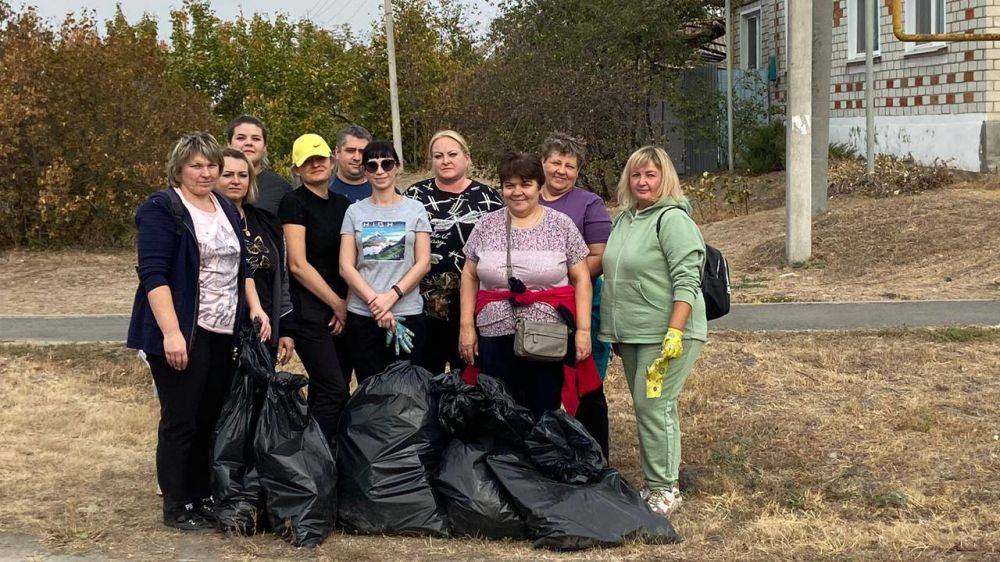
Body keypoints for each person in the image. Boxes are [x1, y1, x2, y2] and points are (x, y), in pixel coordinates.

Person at [127, 132, 270, 530]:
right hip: (183, 330)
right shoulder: (163, 208)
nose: (206, 172)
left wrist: (256, 307)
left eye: (211, 165)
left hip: (221, 330)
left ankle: (202, 495)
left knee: (210, 416)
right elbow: (153, 275)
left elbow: (242, 266)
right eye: (197, 165)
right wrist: (171, 333)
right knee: (181, 419)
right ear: (179, 168)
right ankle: (177, 506)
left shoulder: (223, 205)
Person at [600, 146, 707, 517]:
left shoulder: (673, 220)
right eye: (636, 175)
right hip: (633, 333)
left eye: (651, 175)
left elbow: (687, 279)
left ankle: (664, 490)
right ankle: (661, 481)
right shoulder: (626, 218)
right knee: (653, 408)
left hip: (666, 333)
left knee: (653, 405)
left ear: (665, 179)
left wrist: (674, 332)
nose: (642, 182)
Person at [458, 152, 600, 419]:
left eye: (525, 184)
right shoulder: (486, 225)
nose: (517, 192)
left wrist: (583, 330)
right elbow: (469, 275)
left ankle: (538, 458)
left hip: (546, 336)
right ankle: (505, 462)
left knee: (542, 407)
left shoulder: (561, 225)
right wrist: (466, 327)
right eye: (509, 185)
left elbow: (581, 278)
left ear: (539, 186)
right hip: (494, 334)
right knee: (498, 409)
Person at [539, 132, 613, 459]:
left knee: (585, 381)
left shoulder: (588, 204)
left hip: (582, 303)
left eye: (570, 165)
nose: (562, 170)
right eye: (556, 162)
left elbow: (600, 256)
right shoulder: (525, 198)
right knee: (542, 380)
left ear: (578, 171)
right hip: (535, 307)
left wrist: (562, 276)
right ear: (542, 163)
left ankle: (589, 451)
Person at [405, 130, 504, 374]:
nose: (445, 161)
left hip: (475, 302)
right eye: (438, 156)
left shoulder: (489, 198)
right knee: (426, 378)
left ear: (467, 158)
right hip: (425, 304)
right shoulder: (414, 197)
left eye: (452, 154)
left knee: (471, 377)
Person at [340, 140, 432, 380]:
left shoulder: (416, 209)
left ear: (397, 166)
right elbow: (346, 266)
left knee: (406, 392)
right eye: (372, 166)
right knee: (369, 390)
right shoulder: (354, 212)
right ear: (365, 171)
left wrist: (392, 296)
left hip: (407, 313)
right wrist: (376, 303)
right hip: (363, 315)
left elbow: (423, 262)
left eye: (386, 163)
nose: (380, 171)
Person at [279, 133, 351, 441]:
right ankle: (314, 461)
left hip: (343, 307)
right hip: (310, 309)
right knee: (333, 389)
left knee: (333, 388)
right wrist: (336, 303)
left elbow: (351, 258)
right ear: (296, 169)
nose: (316, 164)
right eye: (307, 161)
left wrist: (346, 303)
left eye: (320, 158)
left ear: (332, 161)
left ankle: (330, 457)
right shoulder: (293, 203)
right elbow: (297, 264)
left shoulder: (343, 204)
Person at [216, 147, 295, 364]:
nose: (236, 181)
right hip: (221, 328)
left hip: (264, 327)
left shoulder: (266, 221)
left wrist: (285, 327)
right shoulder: (207, 222)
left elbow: (281, 276)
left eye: (243, 175)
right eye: (227, 175)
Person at [226, 115, 291, 215]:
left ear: (265, 147)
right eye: (241, 138)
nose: (248, 143)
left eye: (256, 139)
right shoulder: (212, 184)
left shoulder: (280, 188)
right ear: (229, 144)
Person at [329, 124, 373, 203]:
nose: (357, 158)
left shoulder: (384, 190)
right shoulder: (323, 191)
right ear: (337, 152)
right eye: (350, 151)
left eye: (362, 152)